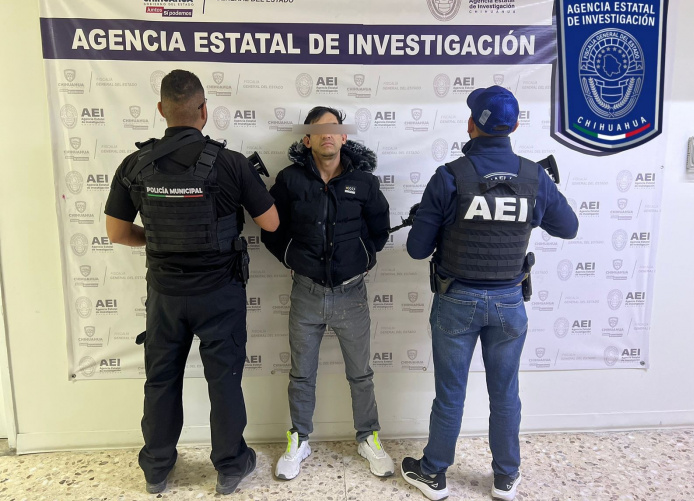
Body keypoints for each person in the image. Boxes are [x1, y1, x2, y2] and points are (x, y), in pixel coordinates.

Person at [104, 69, 279, 495]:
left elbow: (117, 233)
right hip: (220, 293)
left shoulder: (135, 165)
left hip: (164, 296)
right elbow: (271, 223)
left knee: (161, 380)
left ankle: (156, 468)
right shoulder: (231, 163)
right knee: (224, 380)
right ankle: (231, 466)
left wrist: (159, 239)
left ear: (161, 109)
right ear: (204, 110)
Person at [400, 86, 579, 501]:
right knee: (505, 393)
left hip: (456, 300)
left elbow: (416, 250)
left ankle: (434, 474)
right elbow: (568, 227)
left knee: (451, 394)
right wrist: (537, 200)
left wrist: (432, 220)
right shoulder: (534, 177)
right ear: (514, 127)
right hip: (509, 302)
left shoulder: (449, 176)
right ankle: (506, 477)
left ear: (471, 124)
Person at [261, 106, 394, 480]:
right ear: (307, 139)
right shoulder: (289, 180)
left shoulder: (364, 182)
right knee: (301, 375)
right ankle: (299, 439)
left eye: (334, 128)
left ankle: (368, 437)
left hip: (352, 294)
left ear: (344, 136)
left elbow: (379, 229)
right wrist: (290, 257)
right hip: (306, 293)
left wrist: (363, 258)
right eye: (319, 129)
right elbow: (271, 229)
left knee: (361, 374)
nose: (327, 134)